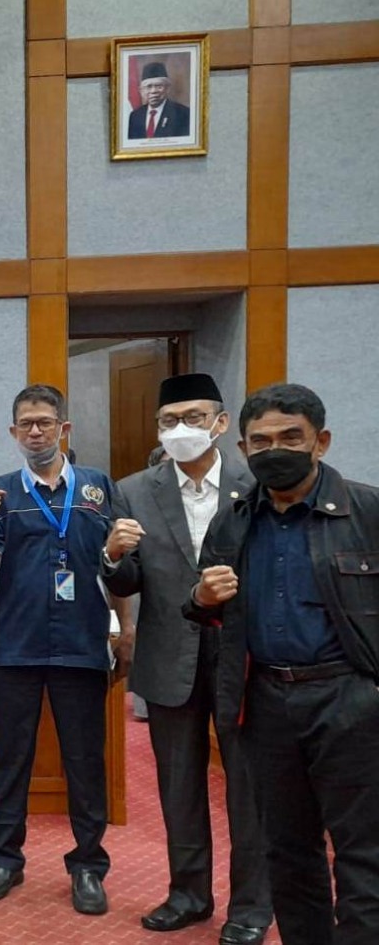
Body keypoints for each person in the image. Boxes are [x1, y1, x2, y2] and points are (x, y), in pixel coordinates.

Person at [188, 383, 379, 945]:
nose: (275, 450)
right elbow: (204, 606)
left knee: (365, 852)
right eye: (261, 441)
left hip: (350, 700)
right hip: (266, 705)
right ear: (243, 448)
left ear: (321, 441)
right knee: (287, 850)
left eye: (291, 437)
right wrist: (201, 597)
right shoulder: (233, 520)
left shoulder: (368, 510)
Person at [103, 374, 271, 944]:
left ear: (220, 423)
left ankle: (252, 906)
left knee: (248, 787)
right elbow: (127, 579)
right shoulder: (133, 489)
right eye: (169, 420)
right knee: (178, 786)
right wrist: (111, 555)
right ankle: (188, 894)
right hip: (169, 651)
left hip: (245, 657)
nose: (181, 429)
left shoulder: (256, 483)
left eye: (194, 417)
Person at [0, 384, 125, 915]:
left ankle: (88, 865)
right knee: (12, 759)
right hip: (17, 646)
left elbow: (120, 564)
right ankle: (4, 858)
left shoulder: (97, 488)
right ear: (13, 432)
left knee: (85, 761)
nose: (36, 432)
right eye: (26, 424)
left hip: (82, 644)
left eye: (45, 423)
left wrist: (126, 627)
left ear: (64, 428)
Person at [128, 61, 191, 139]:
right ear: (141, 91)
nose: (153, 91)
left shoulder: (183, 114)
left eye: (159, 86)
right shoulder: (135, 116)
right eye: (149, 87)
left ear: (167, 88)